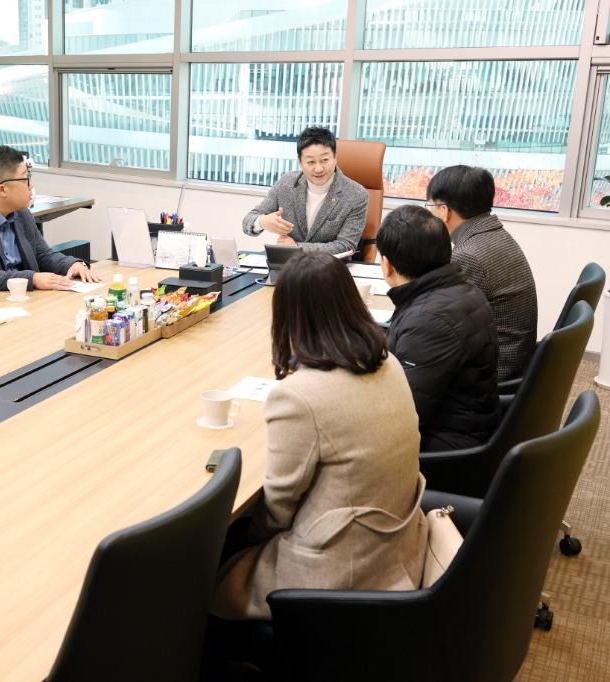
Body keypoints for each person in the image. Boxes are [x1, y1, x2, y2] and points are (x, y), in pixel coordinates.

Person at [210, 251, 427, 623]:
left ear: (288, 315)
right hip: (399, 545)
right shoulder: (387, 361)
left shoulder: (300, 395)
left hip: (340, 569)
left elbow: (278, 506)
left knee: (209, 576)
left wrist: (246, 537)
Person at [377, 204, 500, 451]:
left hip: (447, 444)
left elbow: (401, 417)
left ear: (388, 266)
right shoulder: (460, 288)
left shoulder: (428, 320)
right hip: (466, 420)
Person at [0, 145, 100, 301]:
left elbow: (42, 254)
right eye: (25, 179)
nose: (31, 185)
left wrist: (71, 264)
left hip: (18, 299)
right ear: (2, 190)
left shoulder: (21, 213)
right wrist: (32, 279)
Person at [426, 165, 537, 381]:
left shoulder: (468, 255)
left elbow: (443, 328)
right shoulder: (494, 234)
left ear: (445, 211)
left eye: (430, 205)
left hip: (496, 373)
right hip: (516, 359)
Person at [241, 126, 369, 256]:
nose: (319, 169)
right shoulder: (286, 183)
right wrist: (262, 221)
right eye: (311, 162)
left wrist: (297, 247)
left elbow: (346, 246)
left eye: (325, 160)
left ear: (335, 158)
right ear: (300, 162)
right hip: (291, 264)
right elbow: (247, 222)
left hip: (331, 265)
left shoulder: (356, 194)